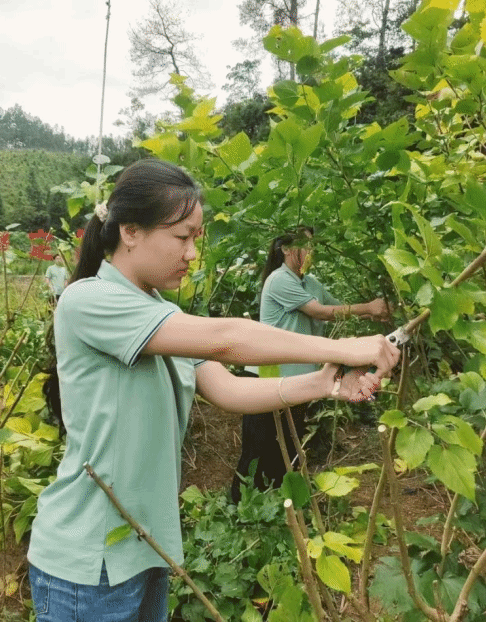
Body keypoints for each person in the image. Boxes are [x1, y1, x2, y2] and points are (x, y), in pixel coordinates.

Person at [27, 159, 400, 622]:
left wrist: (323, 382)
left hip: (143, 549)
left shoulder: (159, 313)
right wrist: (343, 346)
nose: (191, 255)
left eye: (196, 239)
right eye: (182, 237)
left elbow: (227, 389)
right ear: (130, 231)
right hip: (87, 563)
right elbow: (228, 338)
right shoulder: (89, 300)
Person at [231, 227, 392, 503]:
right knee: (258, 446)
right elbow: (320, 312)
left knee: (288, 445)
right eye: (305, 244)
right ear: (286, 249)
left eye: (313, 245)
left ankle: (278, 505)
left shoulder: (312, 284)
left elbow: (337, 310)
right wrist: (368, 307)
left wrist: (373, 314)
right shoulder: (279, 280)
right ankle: (240, 505)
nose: (310, 251)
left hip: (300, 378)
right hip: (269, 375)